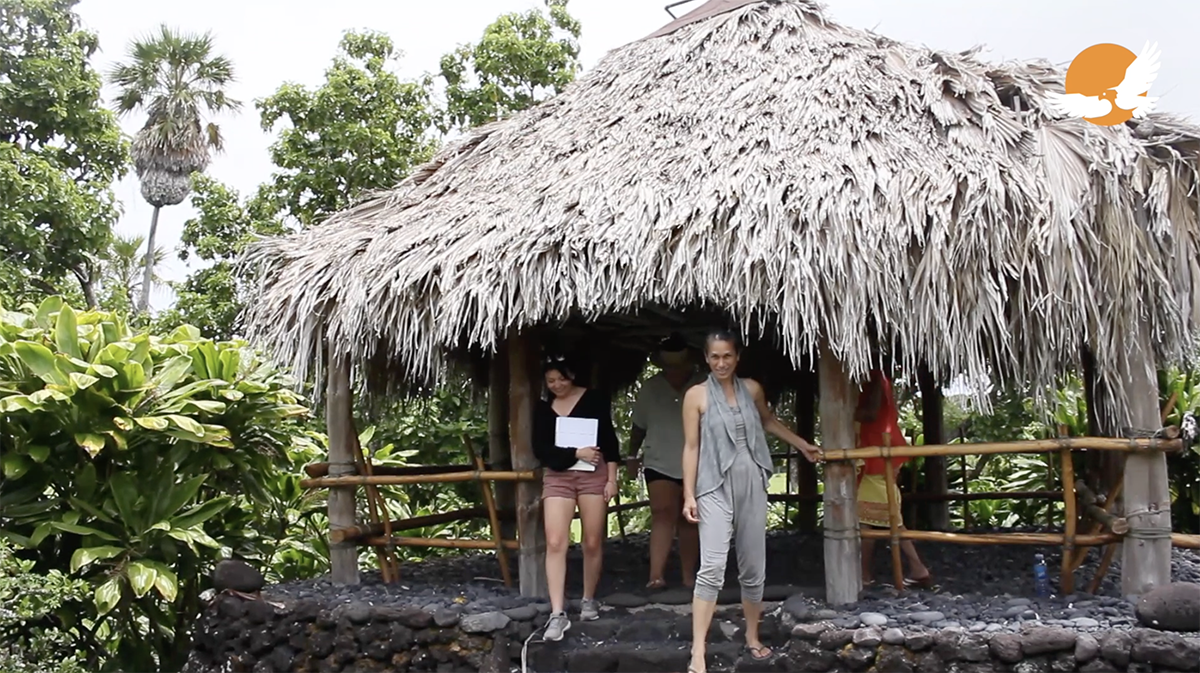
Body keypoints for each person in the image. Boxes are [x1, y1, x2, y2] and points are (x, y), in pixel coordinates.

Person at [680, 330, 821, 672]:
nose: (721, 363)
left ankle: (753, 636)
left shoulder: (752, 388)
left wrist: (803, 445)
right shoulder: (696, 396)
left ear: (737, 356)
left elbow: (768, 421)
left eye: (727, 356)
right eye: (714, 357)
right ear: (706, 358)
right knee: (712, 566)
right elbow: (692, 447)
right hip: (714, 483)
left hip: (752, 480)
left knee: (753, 566)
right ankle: (698, 650)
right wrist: (688, 493)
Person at [532, 357, 620, 641]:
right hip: (558, 476)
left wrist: (612, 478)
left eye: (562, 378)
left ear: (572, 376)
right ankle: (557, 612)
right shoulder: (543, 409)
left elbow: (609, 439)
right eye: (551, 381)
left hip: (594, 474)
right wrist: (575, 454)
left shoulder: (593, 399)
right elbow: (541, 449)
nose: (557, 385)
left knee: (592, 541)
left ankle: (588, 598)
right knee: (556, 541)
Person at [628, 333, 707, 590]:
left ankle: (688, 576)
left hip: (698, 462)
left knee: (689, 519)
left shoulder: (702, 385)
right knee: (662, 515)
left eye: (679, 364)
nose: (674, 370)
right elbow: (638, 426)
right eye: (670, 365)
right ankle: (656, 575)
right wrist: (631, 455)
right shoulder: (650, 388)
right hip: (659, 460)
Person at [855, 368, 932, 589]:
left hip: (876, 452)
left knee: (868, 521)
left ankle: (865, 575)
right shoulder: (880, 380)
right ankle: (916, 568)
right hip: (882, 449)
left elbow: (868, 414)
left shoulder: (874, 379)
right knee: (889, 519)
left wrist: (845, 411)